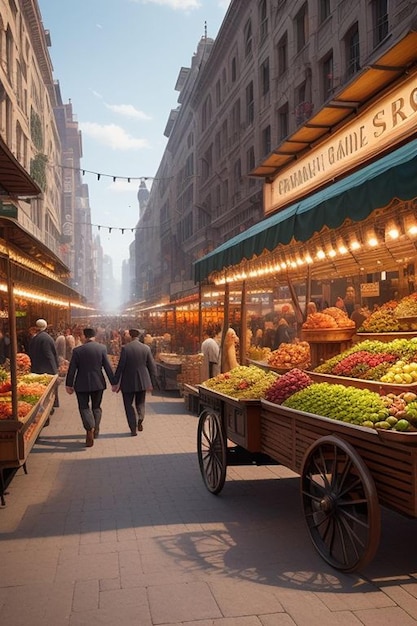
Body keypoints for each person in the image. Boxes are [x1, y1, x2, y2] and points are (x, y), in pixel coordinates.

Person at [65, 327, 116, 447]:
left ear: (84, 336)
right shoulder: (102, 348)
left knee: (83, 407)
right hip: (98, 383)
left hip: (81, 383)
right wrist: (114, 382)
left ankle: (89, 428)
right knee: (96, 407)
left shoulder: (77, 351)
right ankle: (96, 429)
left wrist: (69, 384)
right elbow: (107, 367)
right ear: (94, 335)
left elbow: (72, 369)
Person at [112, 328, 159, 436]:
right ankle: (140, 418)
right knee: (140, 402)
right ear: (139, 336)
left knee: (128, 405)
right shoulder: (146, 348)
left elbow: (121, 366)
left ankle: (133, 428)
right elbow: (152, 366)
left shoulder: (125, 348)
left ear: (130, 336)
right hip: (143, 380)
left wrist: (115, 380)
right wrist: (153, 381)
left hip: (128, 381)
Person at [28, 319, 59, 408]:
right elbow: (50, 355)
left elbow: (47, 354)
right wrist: (55, 368)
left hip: (40, 368)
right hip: (46, 368)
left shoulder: (37, 338)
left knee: (42, 390)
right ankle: (50, 406)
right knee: (48, 390)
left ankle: (46, 406)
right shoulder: (46, 338)